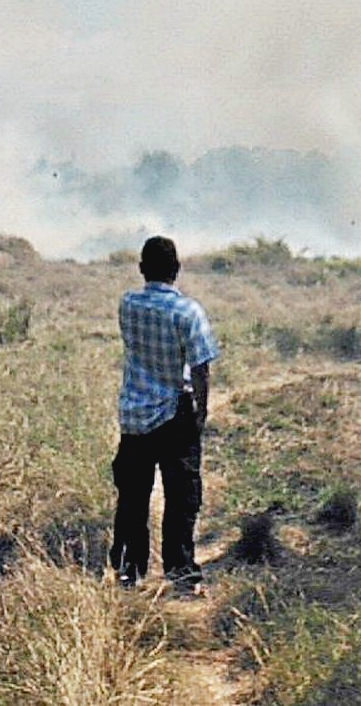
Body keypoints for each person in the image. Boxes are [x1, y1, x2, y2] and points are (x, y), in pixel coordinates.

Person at [111, 234, 219, 592]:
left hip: (135, 414)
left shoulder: (128, 304)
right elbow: (200, 368)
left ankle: (129, 569)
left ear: (142, 270)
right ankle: (180, 571)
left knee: (132, 497)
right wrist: (201, 412)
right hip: (175, 412)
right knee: (181, 497)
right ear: (177, 269)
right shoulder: (188, 311)